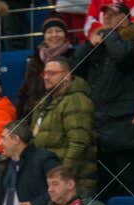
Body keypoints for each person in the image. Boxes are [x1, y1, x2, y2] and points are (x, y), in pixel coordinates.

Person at [75, 2, 134, 198]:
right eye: (105, 14)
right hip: (100, 125)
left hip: (125, 127)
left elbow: (122, 55)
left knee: (131, 185)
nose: (107, 17)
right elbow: (75, 69)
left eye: (113, 14)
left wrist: (109, 34)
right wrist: (88, 45)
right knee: (104, 188)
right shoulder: (100, 44)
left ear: (125, 19)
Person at [30, 56, 96, 195]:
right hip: (48, 178)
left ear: (67, 76)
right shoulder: (45, 101)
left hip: (71, 184)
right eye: (45, 73)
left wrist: (63, 176)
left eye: (52, 73)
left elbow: (79, 143)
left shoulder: (76, 100)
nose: (46, 77)